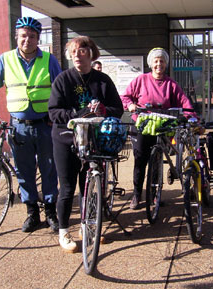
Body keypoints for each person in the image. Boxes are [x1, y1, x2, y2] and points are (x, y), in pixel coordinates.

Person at [0, 17, 61, 233]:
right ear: (17, 36)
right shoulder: (5, 60)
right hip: (19, 127)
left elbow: (59, 89)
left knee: (49, 169)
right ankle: (32, 213)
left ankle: (51, 212)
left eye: (32, 36)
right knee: (24, 172)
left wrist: (55, 114)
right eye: (23, 35)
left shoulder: (49, 60)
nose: (27, 40)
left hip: (45, 124)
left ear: (38, 39)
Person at [48, 36, 123, 253]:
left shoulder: (103, 80)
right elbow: (53, 112)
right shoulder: (63, 79)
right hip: (65, 139)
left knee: (90, 187)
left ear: (91, 54)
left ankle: (87, 226)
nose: (77, 55)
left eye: (82, 51)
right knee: (68, 188)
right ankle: (63, 232)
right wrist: (76, 114)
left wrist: (104, 110)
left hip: (94, 139)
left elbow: (117, 109)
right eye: (73, 52)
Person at [121, 47, 197, 210]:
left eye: (162, 61)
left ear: (166, 64)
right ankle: (136, 194)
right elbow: (125, 97)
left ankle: (155, 195)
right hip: (142, 124)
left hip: (162, 126)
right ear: (151, 63)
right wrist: (131, 105)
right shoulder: (141, 80)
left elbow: (184, 102)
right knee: (140, 160)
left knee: (156, 161)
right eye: (156, 61)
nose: (159, 64)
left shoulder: (171, 84)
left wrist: (191, 116)